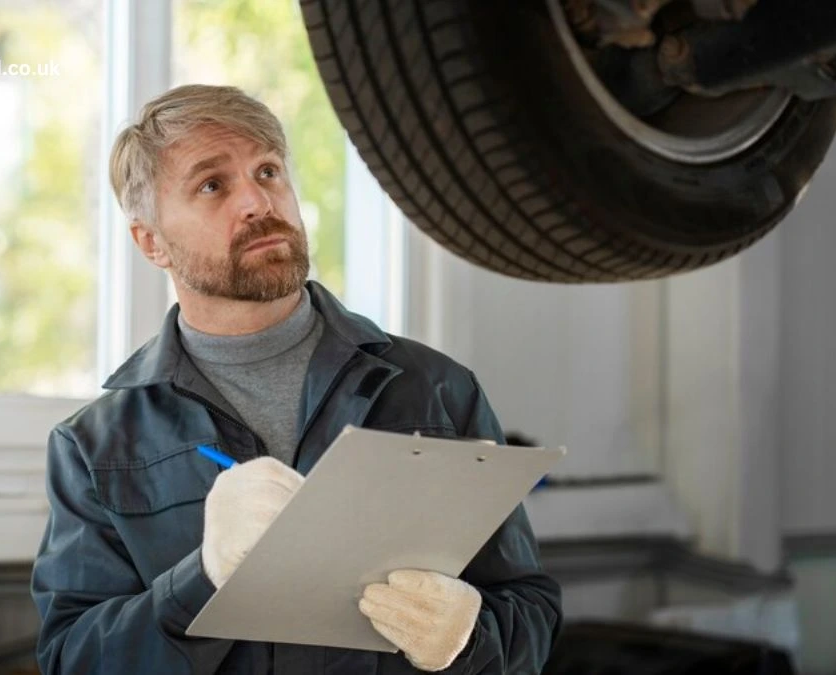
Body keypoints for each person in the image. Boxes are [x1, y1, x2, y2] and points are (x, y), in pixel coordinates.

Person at [31, 84, 561, 674]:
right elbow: (72, 662)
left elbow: (531, 615)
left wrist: (469, 640)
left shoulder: (437, 390)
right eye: (213, 185)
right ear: (151, 241)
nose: (258, 201)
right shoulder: (95, 447)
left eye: (268, 171)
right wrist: (203, 578)